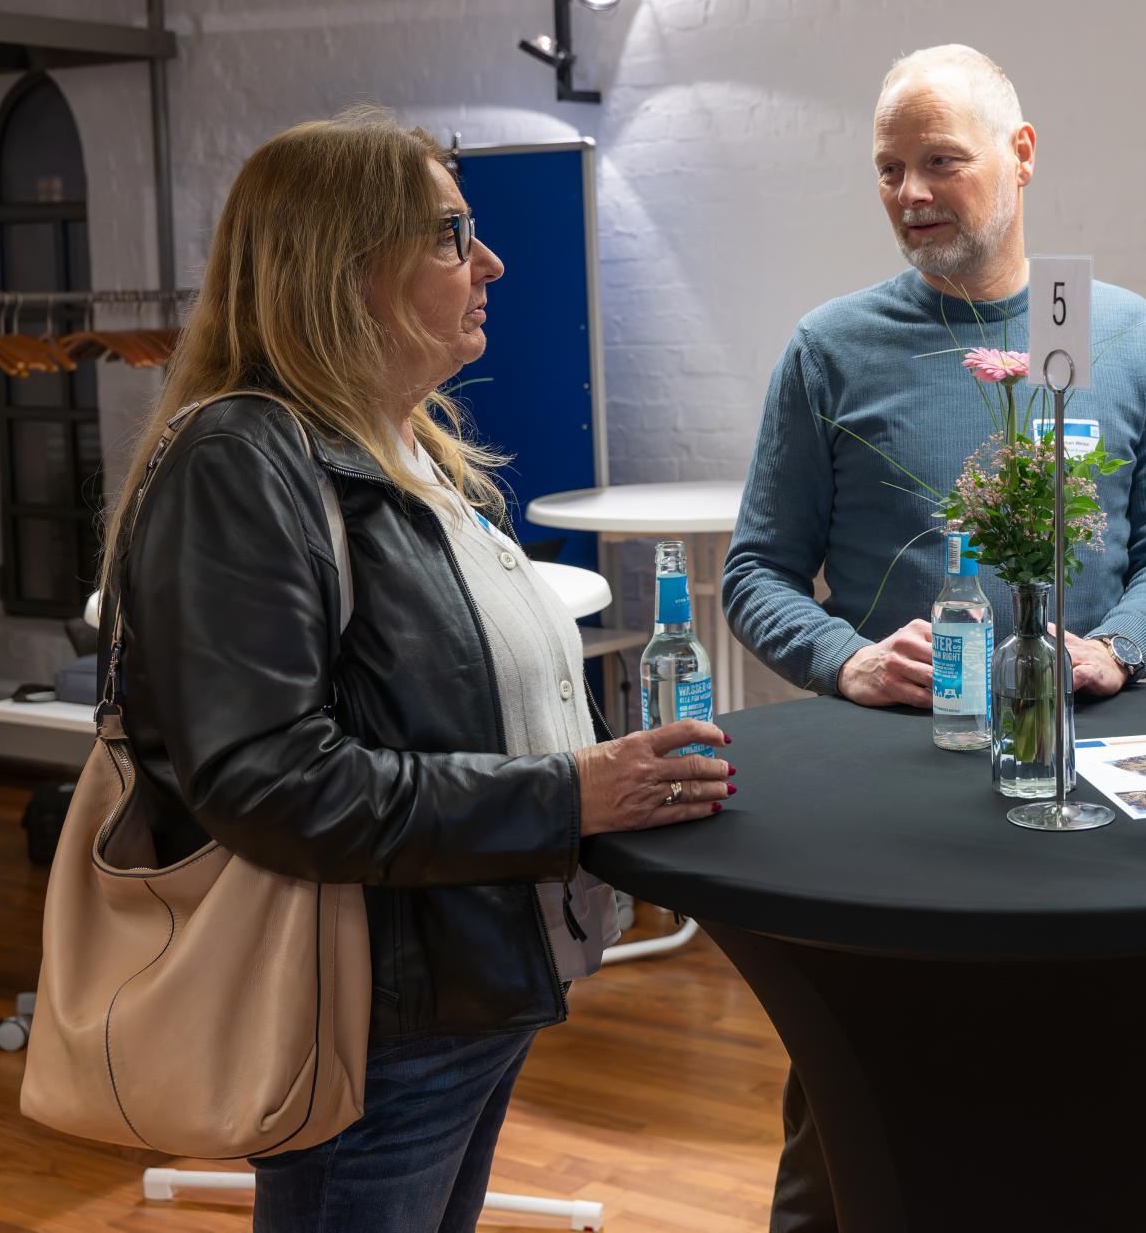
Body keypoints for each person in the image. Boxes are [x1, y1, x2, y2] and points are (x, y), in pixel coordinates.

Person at [95, 108, 737, 1232]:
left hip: (463, 978)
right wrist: (570, 793)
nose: (489, 264)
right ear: (344, 267)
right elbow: (267, 779)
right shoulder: (241, 460)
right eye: (451, 235)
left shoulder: (399, 445)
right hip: (373, 1006)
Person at [721, 45, 1146, 1229]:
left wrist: (1117, 647)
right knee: (851, 1107)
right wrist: (844, 658)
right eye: (889, 168)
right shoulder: (831, 345)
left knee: (1081, 1089)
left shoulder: (1118, 331)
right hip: (894, 794)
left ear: (1021, 154)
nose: (911, 193)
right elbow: (755, 570)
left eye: (941, 160)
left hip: (1083, 783)